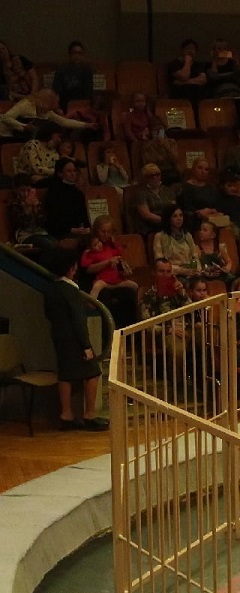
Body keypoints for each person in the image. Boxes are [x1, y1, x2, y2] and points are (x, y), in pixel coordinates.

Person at [44, 254, 108, 431]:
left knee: (65, 374)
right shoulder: (71, 291)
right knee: (93, 372)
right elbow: (78, 320)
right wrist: (86, 345)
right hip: (74, 339)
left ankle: (66, 414)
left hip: (59, 337)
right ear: (71, 269)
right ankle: (89, 414)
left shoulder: (50, 289)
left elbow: (48, 314)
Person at [80, 223, 137, 299]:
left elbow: (118, 252)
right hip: (104, 280)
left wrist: (114, 243)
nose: (106, 234)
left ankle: (143, 305)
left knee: (134, 285)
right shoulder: (92, 254)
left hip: (116, 279)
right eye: (103, 231)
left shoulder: (107, 248)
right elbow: (85, 265)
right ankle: (91, 307)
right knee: (97, 287)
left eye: (109, 232)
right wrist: (85, 253)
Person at [42, 158, 90, 240]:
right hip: (61, 233)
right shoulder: (54, 193)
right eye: (69, 171)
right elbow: (53, 220)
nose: (73, 174)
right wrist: (71, 230)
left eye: (74, 171)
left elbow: (84, 216)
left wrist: (87, 227)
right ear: (60, 173)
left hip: (79, 231)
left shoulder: (79, 194)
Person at [166, 39, 208, 108]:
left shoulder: (198, 65)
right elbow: (184, 76)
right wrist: (187, 62)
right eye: (188, 48)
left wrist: (183, 82)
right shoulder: (174, 63)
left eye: (193, 49)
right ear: (182, 50)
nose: (190, 51)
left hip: (197, 94)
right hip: (180, 93)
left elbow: (203, 80)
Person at [52, 41, 93, 110]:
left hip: (81, 106)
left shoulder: (86, 71)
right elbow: (56, 91)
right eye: (74, 53)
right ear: (69, 54)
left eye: (79, 53)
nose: (76, 56)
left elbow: (89, 93)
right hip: (65, 105)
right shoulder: (61, 70)